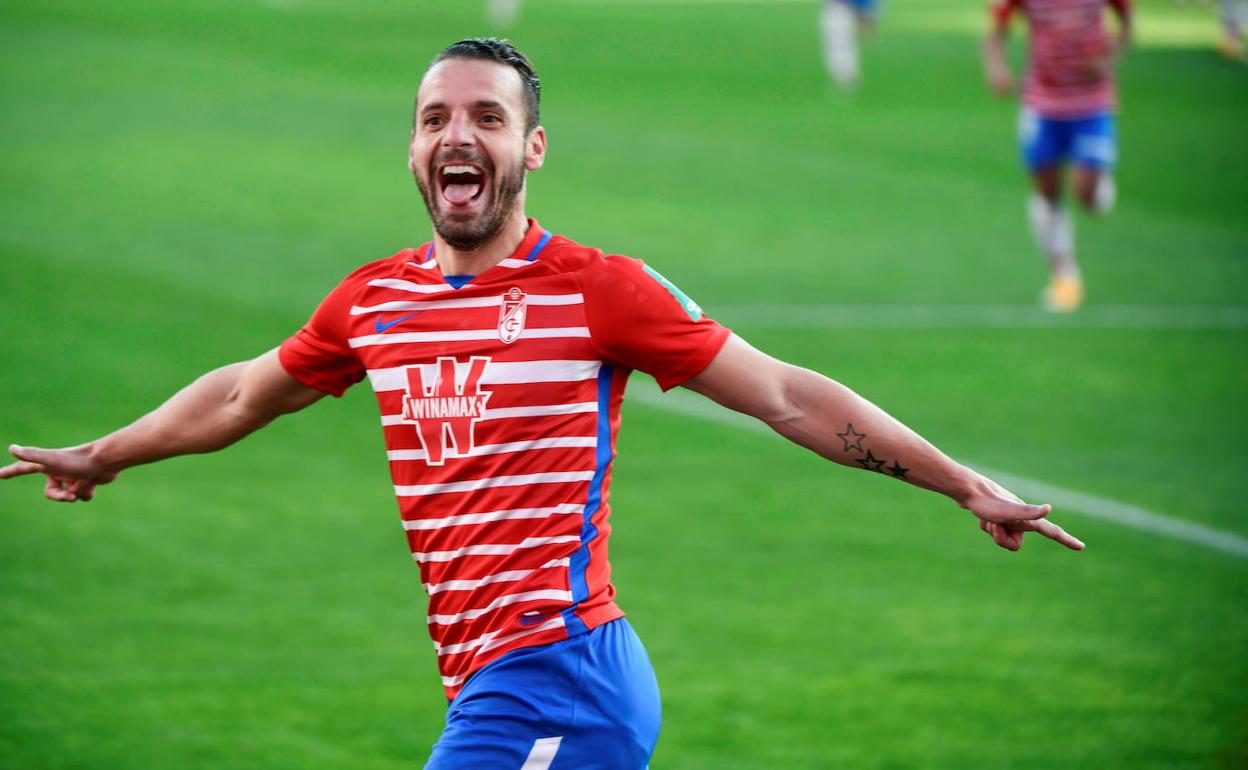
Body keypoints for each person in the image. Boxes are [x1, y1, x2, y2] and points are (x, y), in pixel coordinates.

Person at [1, 37, 1084, 770]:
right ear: (415, 147)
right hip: (492, 680)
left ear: (532, 148)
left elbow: (791, 395)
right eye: (434, 118)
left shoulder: (599, 290)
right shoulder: (374, 302)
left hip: (558, 677)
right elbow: (243, 392)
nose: (455, 135)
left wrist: (962, 482)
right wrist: (106, 452)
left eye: (485, 116)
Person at [983, 0, 1133, 312]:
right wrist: (997, 69)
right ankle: (1064, 276)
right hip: (1042, 102)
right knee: (1047, 191)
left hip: (1091, 102)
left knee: (1087, 194)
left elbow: (1127, 20)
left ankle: (1097, 190)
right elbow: (995, 30)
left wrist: (1111, 58)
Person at [820, 0, 881, 89]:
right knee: (839, 42)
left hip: (843, 7)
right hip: (841, 7)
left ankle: (846, 78)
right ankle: (845, 77)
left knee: (840, 42)